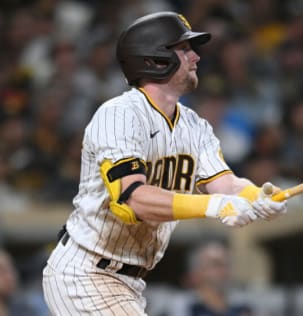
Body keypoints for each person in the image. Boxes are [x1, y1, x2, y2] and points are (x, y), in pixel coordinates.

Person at [41, 11, 287, 316]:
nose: (196, 56)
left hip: (129, 281)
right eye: (184, 49)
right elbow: (133, 201)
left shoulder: (195, 126)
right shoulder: (119, 115)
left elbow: (226, 184)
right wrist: (214, 206)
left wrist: (257, 196)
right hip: (86, 272)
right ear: (155, 59)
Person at [171, 240, 253, 316]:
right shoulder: (185, 307)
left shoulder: (242, 307)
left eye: (227, 264)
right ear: (196, 272)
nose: (224, 270)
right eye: (216, 264)